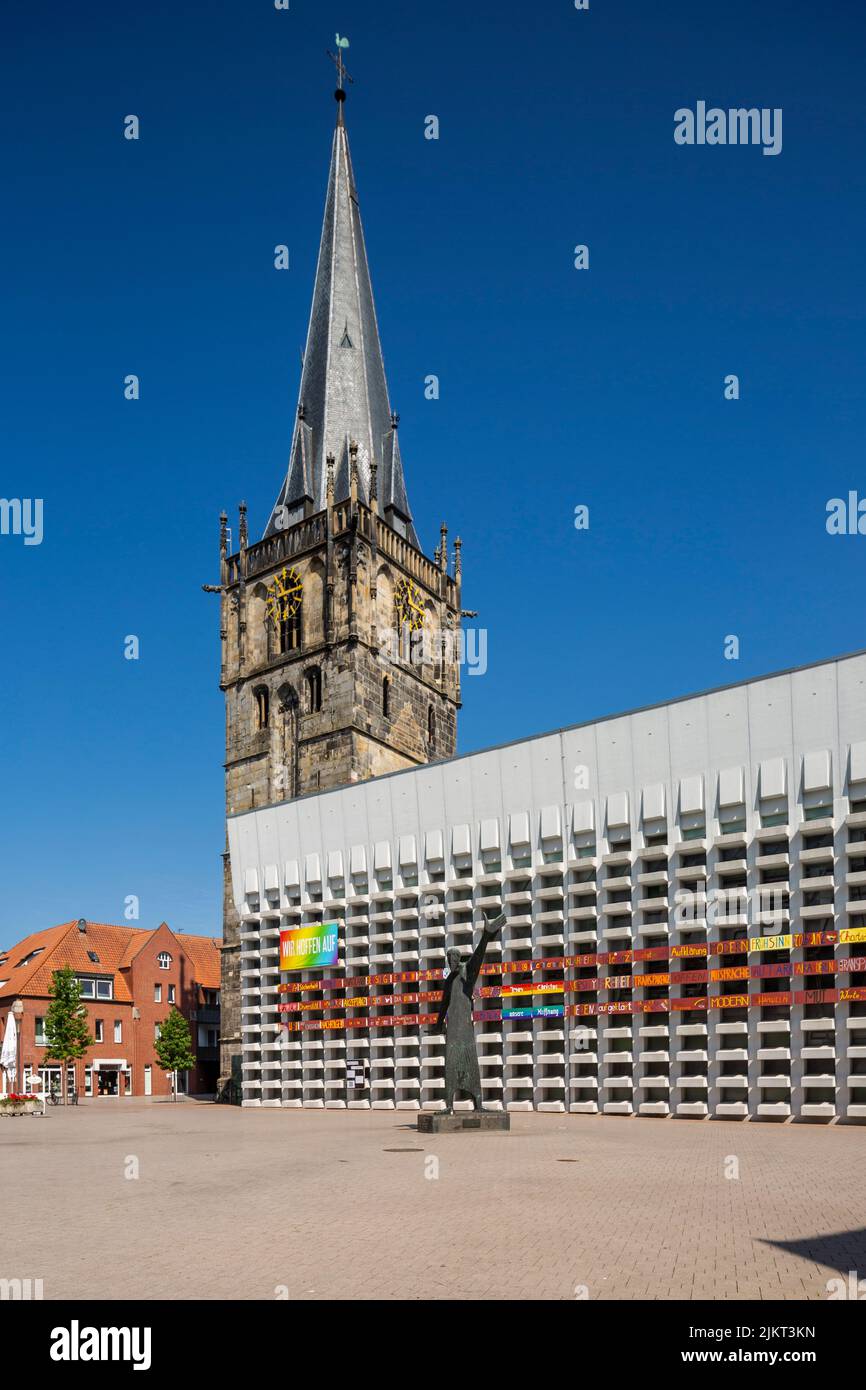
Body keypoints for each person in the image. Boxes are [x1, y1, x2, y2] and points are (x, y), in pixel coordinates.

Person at [433, 913, 504, 1112]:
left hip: (465, 1028)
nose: (450, 961)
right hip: (453, 1029)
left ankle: (478, 1104)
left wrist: (486, 936)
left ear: (458, 958)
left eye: (453, 958)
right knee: (451, 1066)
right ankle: (449, 1105)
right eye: (448, 958)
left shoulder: (467, 973)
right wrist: (438, 1025)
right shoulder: (449, 981)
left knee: (470, 1063)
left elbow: (478, 956)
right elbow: (443, 1004)